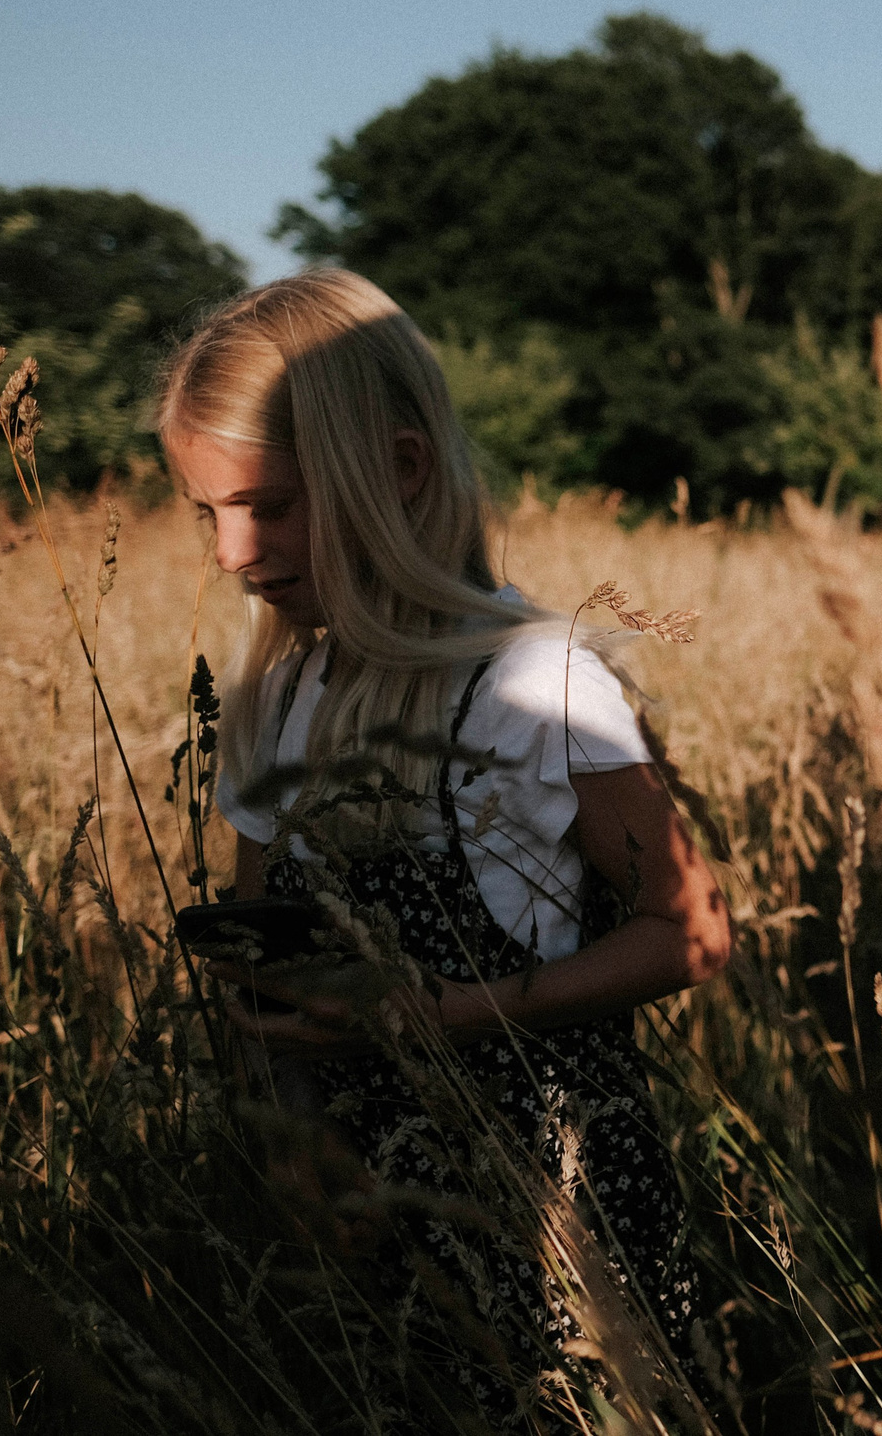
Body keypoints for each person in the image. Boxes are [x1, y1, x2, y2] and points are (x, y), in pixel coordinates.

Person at [160, 269, 732, 1426]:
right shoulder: (277, 699)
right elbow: (265, 960)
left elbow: (690, 933)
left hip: (561, 1207)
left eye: (267, 507)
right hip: (363, 1211)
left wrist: (443, 1015)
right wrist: (293, 1126)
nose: (231, 551)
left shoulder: (537, 681)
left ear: (402, 471)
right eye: (206, 513)